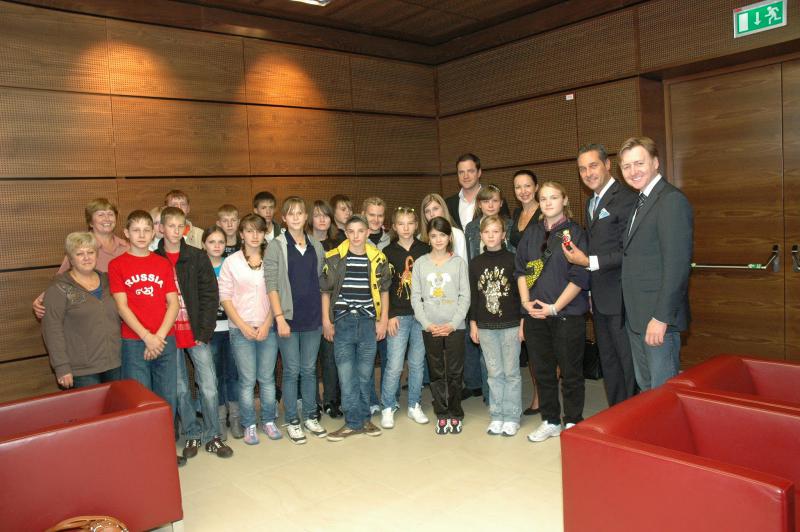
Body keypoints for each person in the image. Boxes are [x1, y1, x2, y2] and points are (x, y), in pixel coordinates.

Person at [562, 144, 637, 406]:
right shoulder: (590, 203)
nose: (588, 173)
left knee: (628, 363)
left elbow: (629, 252)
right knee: (609, 361)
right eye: (582, 169)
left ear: (607, 165)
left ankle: (633, 415)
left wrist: (588, 261)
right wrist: (591, 291)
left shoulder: (627, 198)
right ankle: (618, 413)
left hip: (622, 296)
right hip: (600, 298)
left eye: (593, 165)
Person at [515, 182, 589, 443]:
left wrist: (555, 307)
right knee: (543, 371)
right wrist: (526, 303)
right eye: (543, 198)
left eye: (553, 197)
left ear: (565, 200)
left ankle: (572, 421)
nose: (547, 203)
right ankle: (549, 420)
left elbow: (580, 276)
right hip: (535, 315)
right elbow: (521, 270)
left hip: (566, 314)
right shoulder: (531, 233)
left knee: (570, 372)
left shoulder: (575, 233)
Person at [107, 210, 183, 466]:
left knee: (166, 399)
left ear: (154, 233)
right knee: (140, 401)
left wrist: (158, 337)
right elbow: (122, 306)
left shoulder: (162, 264)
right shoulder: (116, 265)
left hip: (165, 339)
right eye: (135, 230)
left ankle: (164, 451)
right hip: (134, 342)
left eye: (146, 230)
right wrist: (146, 337)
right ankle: (144, 456)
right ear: (126, 233)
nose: (141, 235)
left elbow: (173, 303)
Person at [156, 207, 232, 460]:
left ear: (186, 229)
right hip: (168, 335)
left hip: (196, 332)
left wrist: (205, 330)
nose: (176, 231)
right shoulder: (154, 258)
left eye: (181, 226)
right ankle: (192, 433)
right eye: (171, 226)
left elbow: (211, 295)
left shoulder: (197, 257)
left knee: (209, 385)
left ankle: (213, 436)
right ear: (161, 228)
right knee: (180, 388)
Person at [618, 136, 693, 391]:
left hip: (657, 319)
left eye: (639, 163)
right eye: (626, 166)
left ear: (656, 163)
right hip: (636, 317)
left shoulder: (670, 200)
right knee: (647, 388)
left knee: (664, 392)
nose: (633, 171)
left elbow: (677, 266)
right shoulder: (640, 201)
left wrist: (661, 317)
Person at [321, 214, 391, 442]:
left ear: (367, 232)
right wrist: (327, 321)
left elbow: (384, 291)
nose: (356, 236)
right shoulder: (333, 258)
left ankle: (362, 419)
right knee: (346, 374)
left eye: (360, 231)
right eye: (351, 232)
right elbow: (326, 292)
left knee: (364, 375)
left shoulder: (379, 259)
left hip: (368, 323)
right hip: (343, 323)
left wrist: (382, 320)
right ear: (346, 233)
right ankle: (353, 422)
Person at [265, 196, 327, 444]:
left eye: (300, 213)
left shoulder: (315, 245)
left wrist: (324, 317)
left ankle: (310, 415)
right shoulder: (276, 246)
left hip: (312, 318)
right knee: (291, 371)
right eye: (291, 214)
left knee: (309, 370)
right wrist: (279, 317)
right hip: (288, 319)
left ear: (306, 217)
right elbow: (271, 285)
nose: (296, 217)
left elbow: (322, 283)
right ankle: (292, 419)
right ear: (284, 218)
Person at [218, 213, 281, 445]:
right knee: (246, 380)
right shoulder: (231, 262)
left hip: (268, 327)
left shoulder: (272, 259)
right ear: (241, 234)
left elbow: (277, 292)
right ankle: (249, 424)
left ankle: (268, 420)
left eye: (259, 231)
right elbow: (225, 297)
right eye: (249, 231)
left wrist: (267, 322)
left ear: (265, 234)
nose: (255, 235)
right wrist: (242, 325)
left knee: (266, 377)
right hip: (240, 329)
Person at [411, 216, 470, 435]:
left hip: (455, 327)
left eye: (442, 235)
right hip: (431, 328)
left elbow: (465, 296)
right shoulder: (420, 263)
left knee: (455, 372)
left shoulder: (458, 263)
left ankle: (455, 412)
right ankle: (442, 413)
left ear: (449, 237)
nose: (438, 240)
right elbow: (416, 298)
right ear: (428, 237)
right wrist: (427, 324)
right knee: (436, 372)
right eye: (434, 235)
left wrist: (453, 324)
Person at [42, 232, 121, 389]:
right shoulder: (60, 288)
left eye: (90, 252)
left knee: (118, 411)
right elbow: (52, 329)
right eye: (80, 254)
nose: (86, 257)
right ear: (71, 259)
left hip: (115, 364)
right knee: (92, 413)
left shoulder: (109, 281)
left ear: (97, 255)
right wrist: (61, 367)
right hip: (83, 371)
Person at [469, 215, 522, 436]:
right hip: (486, 326)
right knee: (494, 373)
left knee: (511, 372)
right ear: (481, 236)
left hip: (510, 324)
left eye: (496, 231)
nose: (491, 236)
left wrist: (522, 322)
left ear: (503, 234)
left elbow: (521, 294)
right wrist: (473, 323)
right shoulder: (476, 263)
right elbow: (474, 296)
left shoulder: (513, 259)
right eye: (487, 232)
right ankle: (497, 414)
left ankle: (511, 416)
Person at [33, 198, 129, 319]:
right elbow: (61, 279)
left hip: (125, 314)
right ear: (90, 222)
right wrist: (43, 298)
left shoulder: (127, 247)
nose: (107, 219)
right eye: (100, 214)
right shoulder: (80, 248)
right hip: (91, 315)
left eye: (110, 214)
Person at [380, 206, 431, 429]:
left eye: (410, 223)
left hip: (421, 315)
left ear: (416, 225)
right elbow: (385, 288)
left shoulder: (425, 249)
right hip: (398, 316)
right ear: (394, 227)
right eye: (401, 224)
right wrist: (389, 315)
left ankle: (413, 405)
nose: (406, 228)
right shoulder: (388, 252)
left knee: (418, 363)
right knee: (394, 364)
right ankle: (388, 406)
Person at [202, 226, 242, 440]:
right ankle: (219, 420)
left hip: (233, 327)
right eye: (211, 242)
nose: (217, 246)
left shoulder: (232, 265)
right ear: (203, 245)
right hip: (211, 331)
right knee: (214, 376)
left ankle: (235, 418)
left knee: (232, 375)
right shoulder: (200, 267)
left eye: (220, 242)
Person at [509, 170, 541, 416]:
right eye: (518, 187)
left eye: (527, 185)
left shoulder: (544, 212)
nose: (523, 191)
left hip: (542, 282)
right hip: (522, 281)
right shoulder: (517, 213)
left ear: (536, 186)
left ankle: (543, 396)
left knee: (545, 345)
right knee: (531, 342)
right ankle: (539, 394)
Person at [308, 200, 343, 418]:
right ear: (310, 219)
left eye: (326, 215)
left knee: (331, 359)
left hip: (333, 309)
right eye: (317, 215)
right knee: (310, 361)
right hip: (309, 310)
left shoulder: (338, 244)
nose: (322, 219)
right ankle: (313, 403)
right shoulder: (303, 243)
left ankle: (331, 400)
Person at [445, 153, 509, 230]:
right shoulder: (448, 203)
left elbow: (506, 230)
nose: (465, 176)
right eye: (461, 172)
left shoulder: (495, 200)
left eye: (470, 171)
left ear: (479, 173)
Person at [464, 184, 514, 260]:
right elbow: (468, 257)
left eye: (495, 201)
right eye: (486, 201)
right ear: (479, 204)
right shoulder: (471, 227)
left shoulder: (511, 225)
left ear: (501, 203)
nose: (490, 205)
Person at [420, 193, 468, 261]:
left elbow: (463, 264)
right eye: (427, 211)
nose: (432, 214)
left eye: (435, 209)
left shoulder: (457, 234)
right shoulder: (420, 237)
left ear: (443, 209)